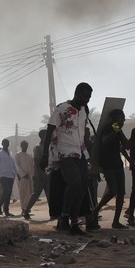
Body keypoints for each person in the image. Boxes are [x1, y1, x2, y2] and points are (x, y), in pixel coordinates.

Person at [40, 82, 93, 236]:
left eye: (89, 97)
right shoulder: (62, 108)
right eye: (84, 96)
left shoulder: (84, 110)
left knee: (82, 188)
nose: (86, 100)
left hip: (80, 151)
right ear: (76, 93)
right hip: (64, 151)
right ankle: (64, 217)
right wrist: (45, 155)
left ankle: (74, 222)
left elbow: (82, 132)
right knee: (74, 182)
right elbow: (49, 130)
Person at [90, 108, 131, 229]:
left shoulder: (117, 129)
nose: (123, 120)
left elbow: (126, 145)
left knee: (121, 193)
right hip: (107, 163)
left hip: (117, 163)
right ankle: (95, 210)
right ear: (115, 119)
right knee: (112, 190)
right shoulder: (108, 128)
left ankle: (116, 221)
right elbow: (104, 142)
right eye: (121, 118)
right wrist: (115, 130)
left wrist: (120, 131)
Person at [22, 129, 52, 221]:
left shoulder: (48, 147)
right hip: (39, 175)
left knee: (49, 194)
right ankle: (26, 211)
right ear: (43, 136)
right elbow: (36, 162)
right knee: (36, 194)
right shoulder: (38, 147)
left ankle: (53, 213)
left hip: (47, 174)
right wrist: (41, 174)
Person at [0, 138, 19, 217]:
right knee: (6, 191)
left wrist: (17, 174)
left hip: (11, 176)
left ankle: (6, 211)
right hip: (3, 176)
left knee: (9, 194)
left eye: (7, 143)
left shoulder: (10, 153)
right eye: (5, 143)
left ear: (9, 144)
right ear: (2, 144)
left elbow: (14, 165)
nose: (6, 144)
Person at [15, 140, 35, 215]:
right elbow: (16, 165)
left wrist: (32, 175)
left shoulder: (29, 155)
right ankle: (23, 208)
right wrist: (23, 174)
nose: (25, 147)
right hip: (22, 177)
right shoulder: (18, 155)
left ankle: (27, 208)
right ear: (21, 146)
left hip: (30, 177)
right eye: (23, 145)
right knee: (23, 193)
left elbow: (32, 167)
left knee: (29, 193)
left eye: (26, 145)